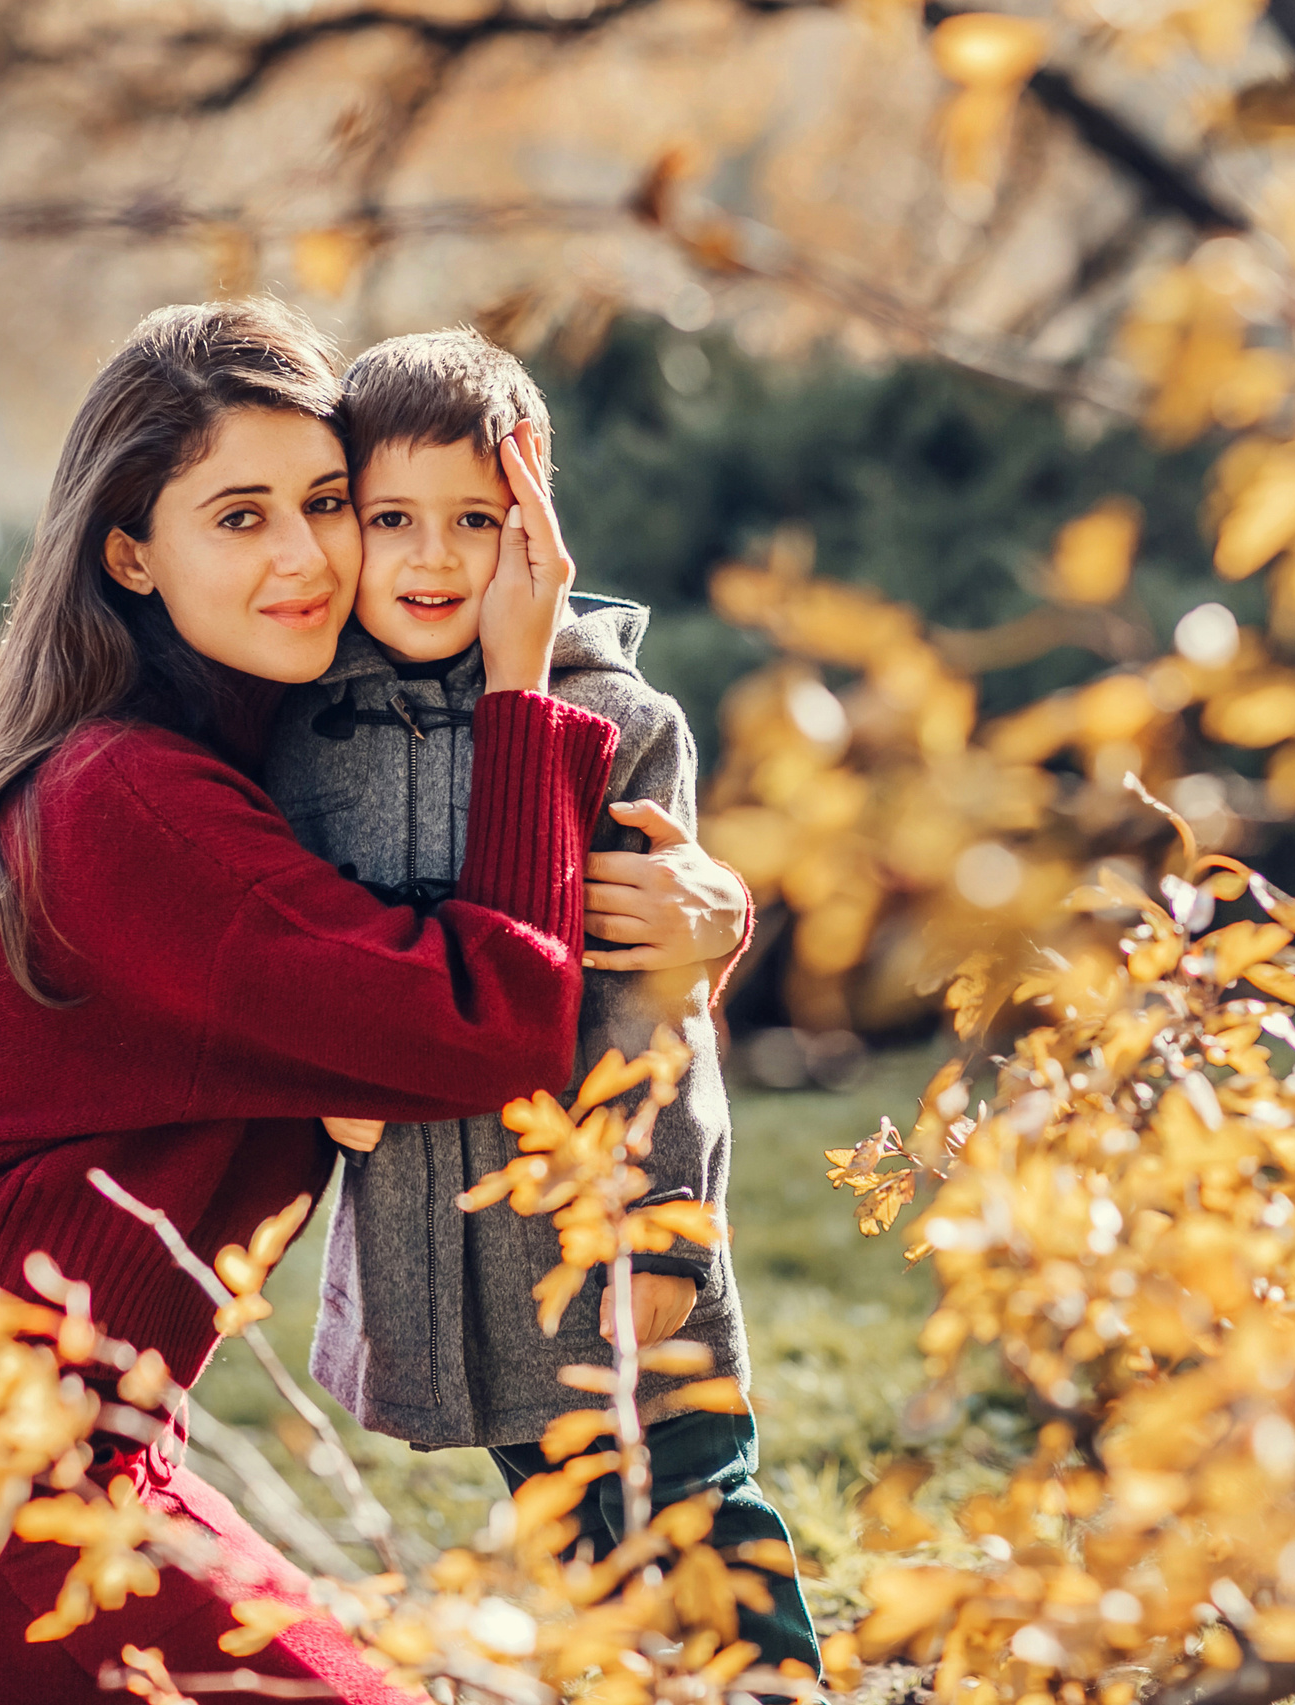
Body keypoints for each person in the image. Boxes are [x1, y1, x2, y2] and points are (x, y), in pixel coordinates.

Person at [0, 299, 743, 1705]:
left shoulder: (265, 757)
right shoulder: (129, 802)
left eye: (327, 503)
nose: (306, 557)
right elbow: (482, 1024)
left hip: (92, 1448)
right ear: (130, 553)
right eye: (240, 517)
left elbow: (431, 924)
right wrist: (520, 690)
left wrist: (695, 910)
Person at [267, 328, 820, 1677]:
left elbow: (656, 1013)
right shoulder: (298, 732)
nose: (435, 557)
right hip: (447, 1246)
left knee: (695, 1503)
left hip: (610, 1229)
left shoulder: (615, 719)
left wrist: (665, 1231)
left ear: (538, 527)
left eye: (478, 518)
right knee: (582, 1543)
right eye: (391, 518)